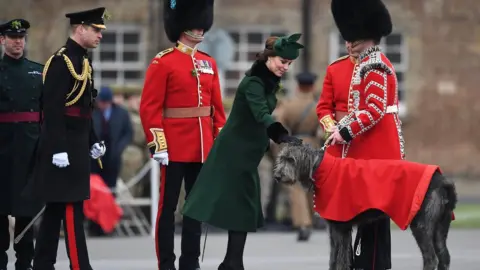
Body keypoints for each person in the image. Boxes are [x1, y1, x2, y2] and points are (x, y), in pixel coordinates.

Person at [182, 33, 305, 270]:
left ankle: (231, 262)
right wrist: (279, 133)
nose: (285, 67)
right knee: (210, 204)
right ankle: (210, 261)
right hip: (233, 154)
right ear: (269, 57)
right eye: (282, 61)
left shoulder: (266, 81)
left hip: (247, 155)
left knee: (243, 207)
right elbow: (260, 113)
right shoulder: (253, 83)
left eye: (289, 64)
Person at [317, 0, 405, 269]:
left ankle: (372, 263)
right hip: (356, 147)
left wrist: (345, 131)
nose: (349, 43)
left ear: (365, 36)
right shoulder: (359, 63)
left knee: (375, 216)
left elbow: (375, 109)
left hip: (376, 148)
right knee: (351, 212)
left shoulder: (375, 64)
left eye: (354, 37)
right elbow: (330, 107)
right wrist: (338, 129)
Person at [139, 0, 227, 269]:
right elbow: (149, 107)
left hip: (202, 146)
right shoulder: (163, 62)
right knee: (167, 209)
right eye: (195, 24)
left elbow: (217, 110)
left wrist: (218, 143)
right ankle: (166, 262)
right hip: (174, 146)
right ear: (182, 27)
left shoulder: (208, 63)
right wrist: (159, 143)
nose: (200, 29)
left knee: (195, 207)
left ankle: (190, 261)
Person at [26, 7, 108, 270]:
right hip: (61, 149)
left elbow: (85, 108)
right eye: (95, 30)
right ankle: (80, 266)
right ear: (79, 28)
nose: (99, 36)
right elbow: (52, 109)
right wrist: (59, 148)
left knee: (54, 212)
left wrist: (92, 139)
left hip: (75, 145)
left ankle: (42, 264)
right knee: (72, 212)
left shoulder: (83, 62)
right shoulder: (61, 61)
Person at [0, 18, 44, 270]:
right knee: (1, 209)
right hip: (3, 150)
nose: (18, 42)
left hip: (30, 150)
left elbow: (46, 112)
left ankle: (25, 261)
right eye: (12, 37)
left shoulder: (38, 71)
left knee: (27, 209)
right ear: (2, 40)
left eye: (21, 38)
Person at [275, 71, 321, 241]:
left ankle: (303, 223)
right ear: (313, 87)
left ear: (297, 86)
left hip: (294, 145)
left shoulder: (288, 105)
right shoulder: (318, 106)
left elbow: (278, 125)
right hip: (313, 146)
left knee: (295, 186)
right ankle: (313, 216)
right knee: (309, 184)